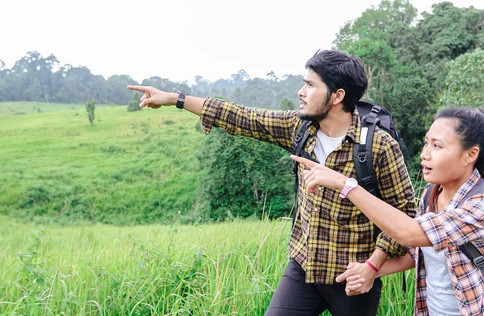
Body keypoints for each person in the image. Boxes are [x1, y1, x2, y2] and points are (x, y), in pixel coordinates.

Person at [127, 49, 416, 316]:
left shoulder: (377, 147)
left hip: (352, 276)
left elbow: (403, 213)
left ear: (337, 95)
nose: (301, 93)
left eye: (311, 86)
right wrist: (175, 99)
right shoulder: (299, 128)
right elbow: (242, 117)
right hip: (303, 267)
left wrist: (372, 266)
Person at [292, 107, 484, 315]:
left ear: (471, 154)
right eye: (427, 143)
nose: (425, 154)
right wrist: (371, 270)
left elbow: (409, 233)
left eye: (437, 146)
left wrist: (346, 185)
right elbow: (416, 253)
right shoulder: (432, 194)